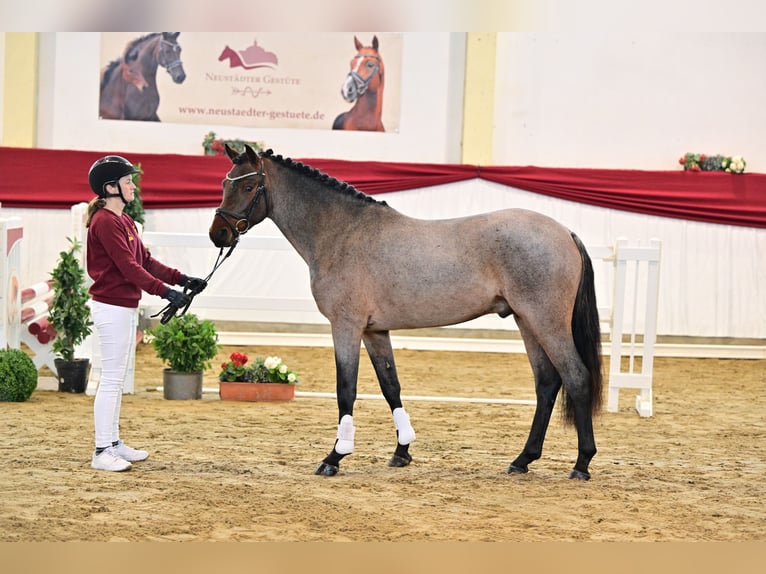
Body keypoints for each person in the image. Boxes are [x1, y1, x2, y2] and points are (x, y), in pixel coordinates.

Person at [85, 155, 207, 472]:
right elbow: (129, 268)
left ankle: (112, 443)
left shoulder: (124, 221)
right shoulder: (105, 222)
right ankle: (101, 451)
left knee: (117, 376)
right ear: (110, 187)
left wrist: (182, 280)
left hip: (123, 306)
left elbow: (147, 261)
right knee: (111, 379)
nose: (133, 187)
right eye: (128, 182)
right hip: (111, 306)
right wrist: (165, 292)